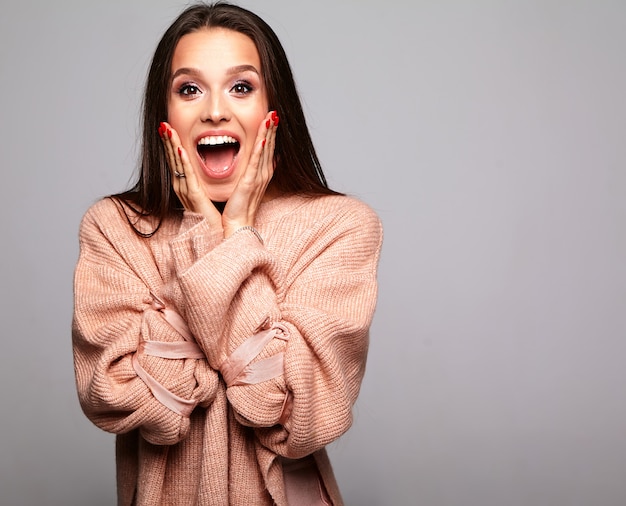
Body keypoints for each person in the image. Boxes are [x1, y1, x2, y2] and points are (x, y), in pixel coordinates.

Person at [72, 2, 382, 505]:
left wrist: (233, 233)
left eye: (241, 87)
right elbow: (115, 393)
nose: (215, 110)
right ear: (164, 113)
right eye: (189, 89)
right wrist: (206, 235)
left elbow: (289, 408)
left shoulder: (339, 226)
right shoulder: (115, 228)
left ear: (271, 106)